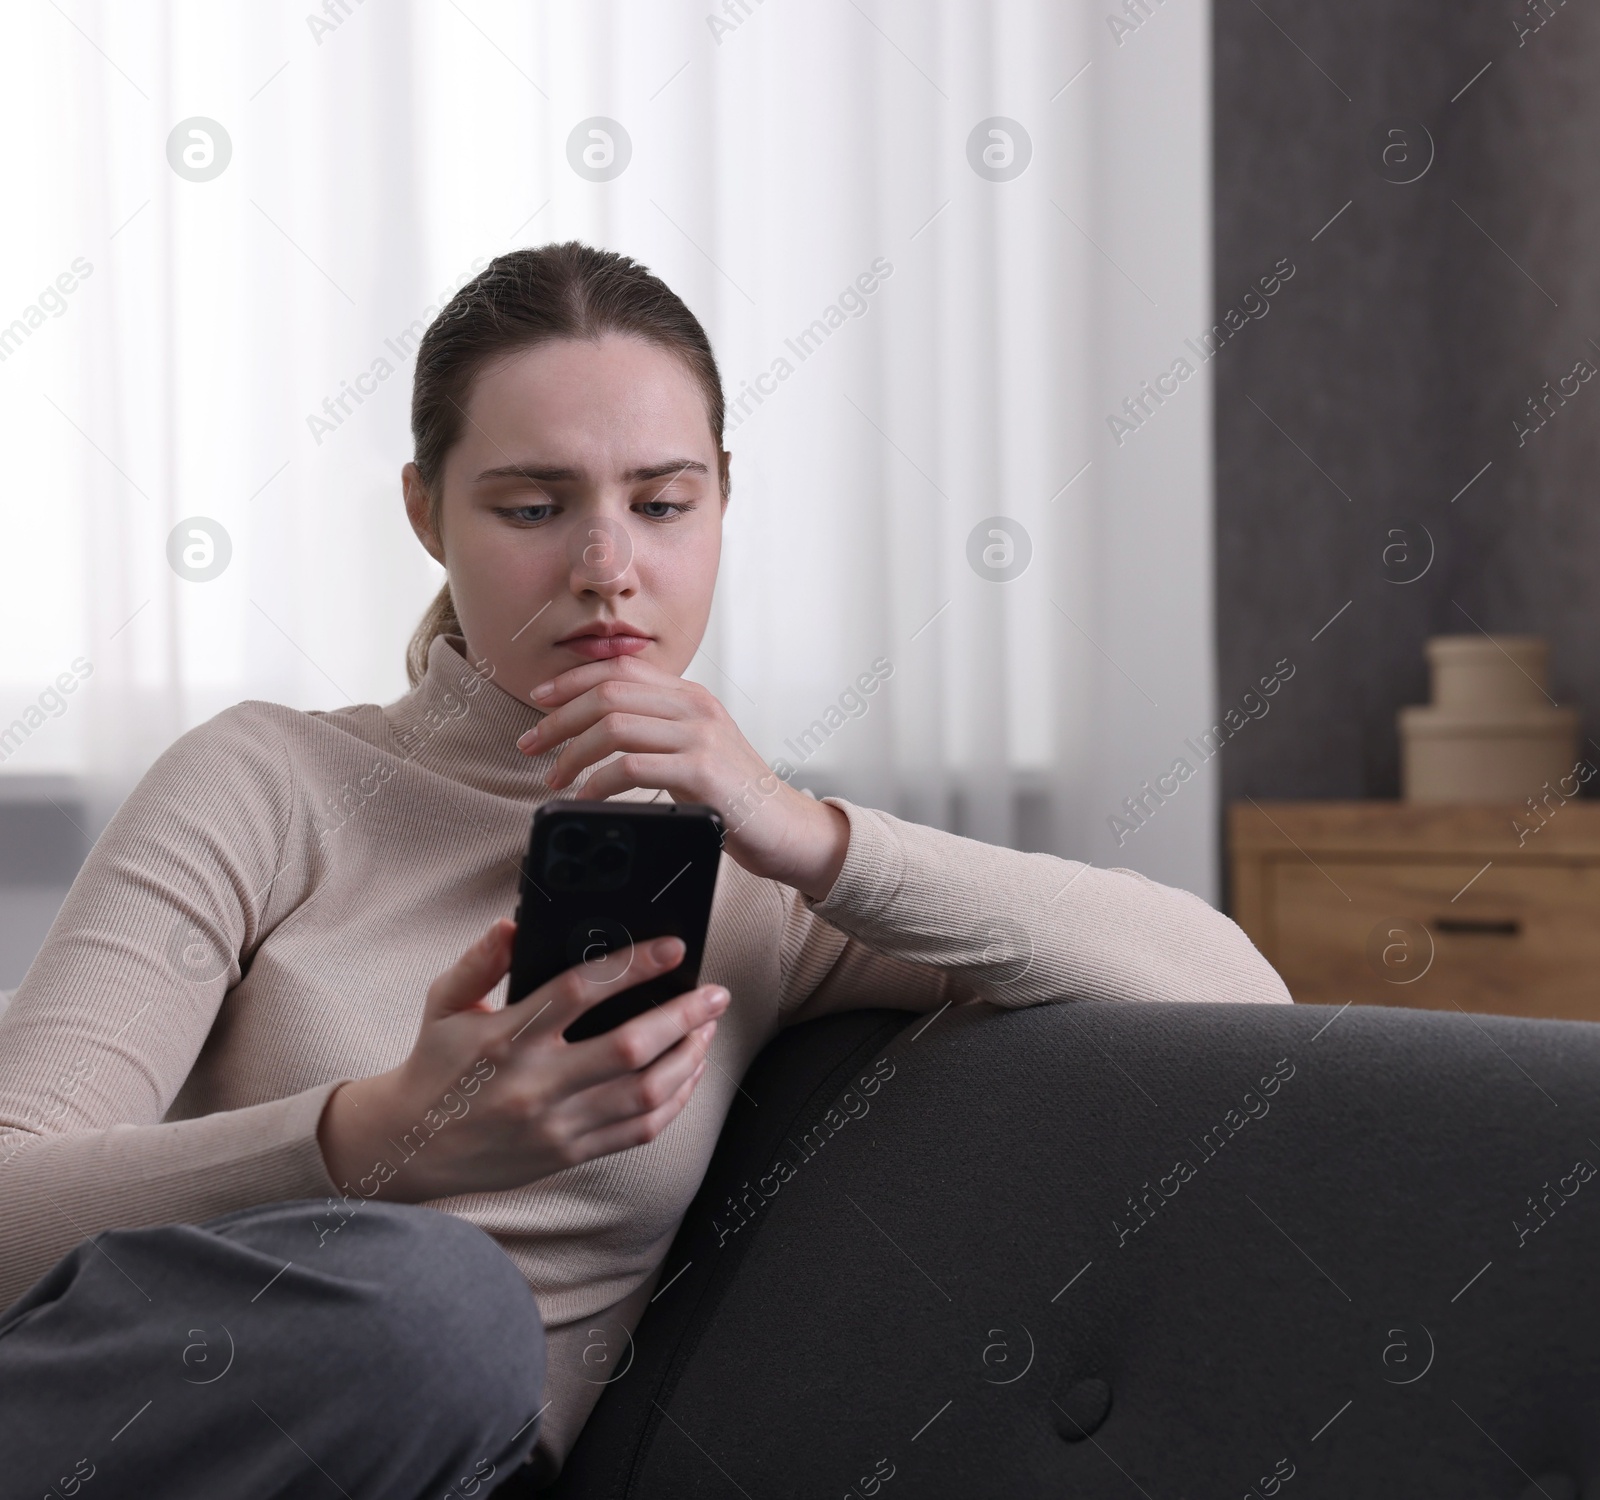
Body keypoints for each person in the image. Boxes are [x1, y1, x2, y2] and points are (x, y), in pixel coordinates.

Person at [0, 241, 1293, 1497]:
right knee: (436, 1298)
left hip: (451, 1456)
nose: (608, 570)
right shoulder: (267, 783)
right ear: (425, 513)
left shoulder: (767, 885)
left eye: (663, 503)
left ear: (723, 499)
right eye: (533, 507)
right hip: (156, 1414)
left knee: (454, 1320)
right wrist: (369, 1141)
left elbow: (1228, 987)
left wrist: (806, 833)